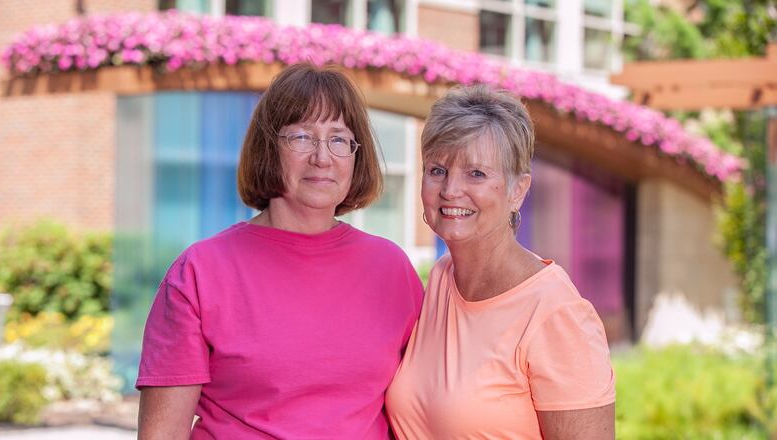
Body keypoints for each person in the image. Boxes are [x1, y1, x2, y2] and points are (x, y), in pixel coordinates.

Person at [136, 63, 424, 439]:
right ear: (269, 147)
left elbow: (428, 407)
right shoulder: (200, 272)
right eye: (302, 137)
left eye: (339, 139)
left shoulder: (391, 269)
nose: (322, 158)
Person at [385, 85, 615, 439]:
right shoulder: (443, 277)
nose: (450, 190)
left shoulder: (556, 314)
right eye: (437, 170)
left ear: (518, 190)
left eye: (476, 173)